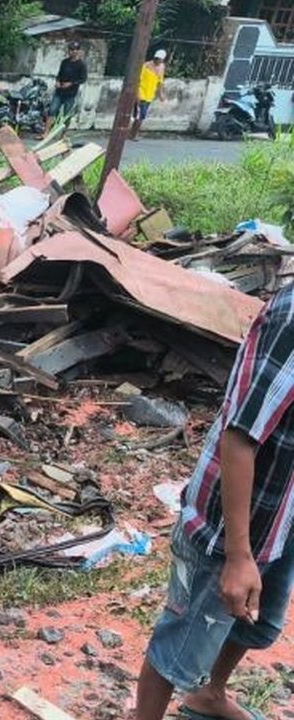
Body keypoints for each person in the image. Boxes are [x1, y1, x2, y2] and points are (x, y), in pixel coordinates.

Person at [133, 282, 294, 720]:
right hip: (233, 519)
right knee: (181, 636)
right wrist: (238, 555)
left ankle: (210, 694)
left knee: (257, 619)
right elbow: (239, 437)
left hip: (283, 509)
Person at [40, 41, 87, 138]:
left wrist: (71, 84)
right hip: (59, 91)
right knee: (52, 110)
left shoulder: (81, 65)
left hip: (71, 93)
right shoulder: (64, 62)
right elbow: (59, 74)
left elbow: (83, 79)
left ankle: (63, 135)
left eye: (75, 50)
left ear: (78, 51)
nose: (73, 52)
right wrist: (57, 81)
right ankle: (46, 133)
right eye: (71, 50)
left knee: (66, 115)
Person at [130, 49, 167, 142]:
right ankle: (133, 135)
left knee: (140, 116)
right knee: (140, 116)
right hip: (141, 93)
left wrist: (161, 94)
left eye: (161, 60)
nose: (159, 61)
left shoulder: (161, 67)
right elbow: (138, 80)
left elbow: (160, 82)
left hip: (150, 95)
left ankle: (132, 133)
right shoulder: (146, 66)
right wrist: (137, 94)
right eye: (158, 59)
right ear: (155, 58)